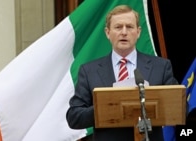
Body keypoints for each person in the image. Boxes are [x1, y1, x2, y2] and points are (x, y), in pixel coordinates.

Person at [66, 5, 178, 141]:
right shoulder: (89, 71)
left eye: (129, 27)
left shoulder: (161, 66)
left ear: (138, 32)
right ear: (107, 33)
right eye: (118, 27)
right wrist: (107, 107)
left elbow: (179, 108)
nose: (124, 32)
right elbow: (74, 117)